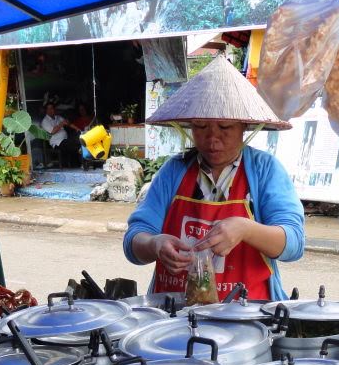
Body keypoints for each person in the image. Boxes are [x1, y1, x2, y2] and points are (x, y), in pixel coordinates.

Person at [124, 55, 304, 301]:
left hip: (247, 314)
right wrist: (155, 244)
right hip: (174, 313)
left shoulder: (265, 171)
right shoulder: (173, 171)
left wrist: (246, 229)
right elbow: (134, 240)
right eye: (200, 126)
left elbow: (293, 243)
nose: (212, 139)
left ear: (244, 127)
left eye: (225, 128)